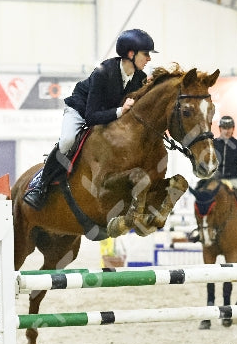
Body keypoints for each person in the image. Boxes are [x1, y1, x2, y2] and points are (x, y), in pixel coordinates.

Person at [23, 28, 158, 210]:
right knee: (67, 140)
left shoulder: (140, 78)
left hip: (109, 115)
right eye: (146, 54)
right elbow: (91, 116)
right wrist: (121, 110)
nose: (149, 58)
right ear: (131, 54)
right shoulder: (103, 72)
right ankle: (40, 185)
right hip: (81, 110)